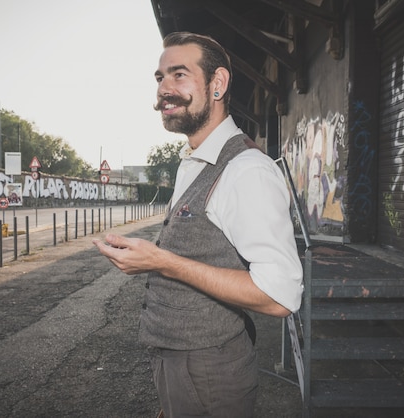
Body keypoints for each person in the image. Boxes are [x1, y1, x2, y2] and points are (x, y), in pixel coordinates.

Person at [93, 31, 303, 418]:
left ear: (217, 84)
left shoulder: (246, 171)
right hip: (184, 373)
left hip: (209, 373)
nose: (164, 91)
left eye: (179, 75)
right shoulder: (193, 161)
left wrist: (161, 261)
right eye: (159, 78)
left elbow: (280, 297)